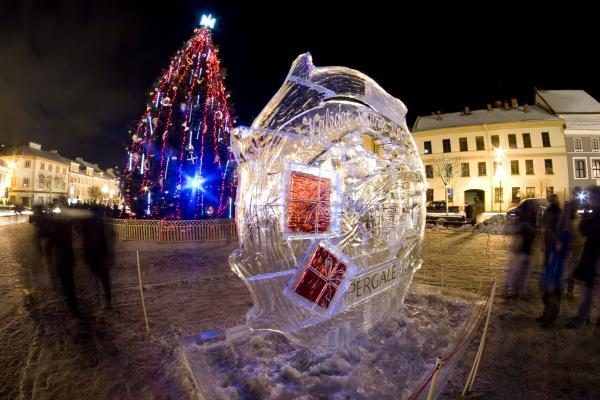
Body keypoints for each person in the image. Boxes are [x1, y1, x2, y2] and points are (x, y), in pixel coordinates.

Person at [567, 186, 600, 328]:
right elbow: (584, 230)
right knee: (588, 290)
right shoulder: (593, 213)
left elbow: (591, 231)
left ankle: (582, 318)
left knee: (592, 290)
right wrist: (586, 215)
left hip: (597, 258)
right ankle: (582, 318)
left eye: (592, 197)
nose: (590, 200)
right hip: (591, 256)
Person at [81, 206, 113, 309]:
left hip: (98, 257)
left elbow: (106, 241)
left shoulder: (93, 225)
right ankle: (105, 300)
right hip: (97, 256)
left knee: (102, 280)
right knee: (103, 281)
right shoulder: (97, 225)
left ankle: (105, 300)